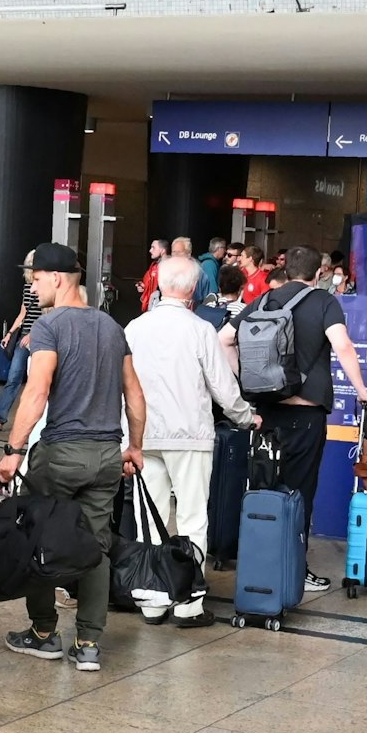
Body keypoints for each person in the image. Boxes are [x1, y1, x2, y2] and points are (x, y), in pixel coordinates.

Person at [0, 243, 146, 672]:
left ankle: (43, 632)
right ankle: (88, 644)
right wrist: (133, 447)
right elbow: (133, 393)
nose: (33, 285)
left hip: (61, 452)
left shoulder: (50, 326)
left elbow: (37, 390)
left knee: (37, 538)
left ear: (57, 278)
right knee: (96, 545)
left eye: (36, 278)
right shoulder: (113, 326)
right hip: (105, 457)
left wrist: (14, 449)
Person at [222, 245, 367, 592]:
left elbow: (224, 339)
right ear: (318, 272)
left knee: (265, 485)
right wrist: (362, 390)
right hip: (306, 412)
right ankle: (295, 566)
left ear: (287, 271)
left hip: (268, 411)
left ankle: (262, 564)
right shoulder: (323, 302)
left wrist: (243, 381)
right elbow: (343, 345)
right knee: (299, 490)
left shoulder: (264, 300)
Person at [127, 255, 255, 625]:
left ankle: (151, 598)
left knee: (147, 517)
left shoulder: (135, 327)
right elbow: (223, 387)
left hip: (144, 434)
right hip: (190, 437)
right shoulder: (199, 330)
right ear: (197, 289)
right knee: (192, 516)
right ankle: (187, 601)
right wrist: (246, 417)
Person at [0, 248, 40, 431]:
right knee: (14, 377)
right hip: (24, 338)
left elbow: (50, 314)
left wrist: (33, 334)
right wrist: (9, 333)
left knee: (38, 382)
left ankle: (36, 423)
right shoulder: (28, 287)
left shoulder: (49, 288)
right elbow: (23, 313)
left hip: (41, 338)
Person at [137, 238, 167, 311]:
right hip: (152, 306)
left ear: (162, 250)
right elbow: (147, 284)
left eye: (153, 248)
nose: (150, 250)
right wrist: (143, 287)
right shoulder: (153, 267)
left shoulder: (170, 267)